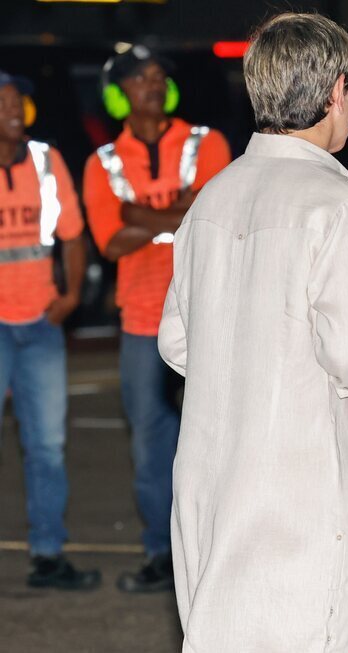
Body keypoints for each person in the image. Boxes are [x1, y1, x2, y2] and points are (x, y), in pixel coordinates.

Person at [158, 12, 348, 652]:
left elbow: (176, 341)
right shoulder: (337, 202)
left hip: (208, 467)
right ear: (336, 91)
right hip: (300, 476)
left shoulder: (214, 195)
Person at [82, 45, 231, 593]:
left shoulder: (205, 142)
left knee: (215, 438)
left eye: (156, 76)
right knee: (149, 446)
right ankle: (161, 555)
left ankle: (214, 550)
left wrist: (141, 213)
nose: (151, 84)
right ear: (118, 94)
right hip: (143, 322)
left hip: (208, 315)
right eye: (138, 78)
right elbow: (111, 241)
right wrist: (181, 207)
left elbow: (213, 210)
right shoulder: (103, 162)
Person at [0, 70, 100, 589]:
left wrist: (71, 297)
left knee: (47, 446)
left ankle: (47, 555)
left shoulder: (45, 160)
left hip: (40, 323)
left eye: (20, 101)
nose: (16, 110)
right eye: (5, 102)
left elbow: (74, 237)